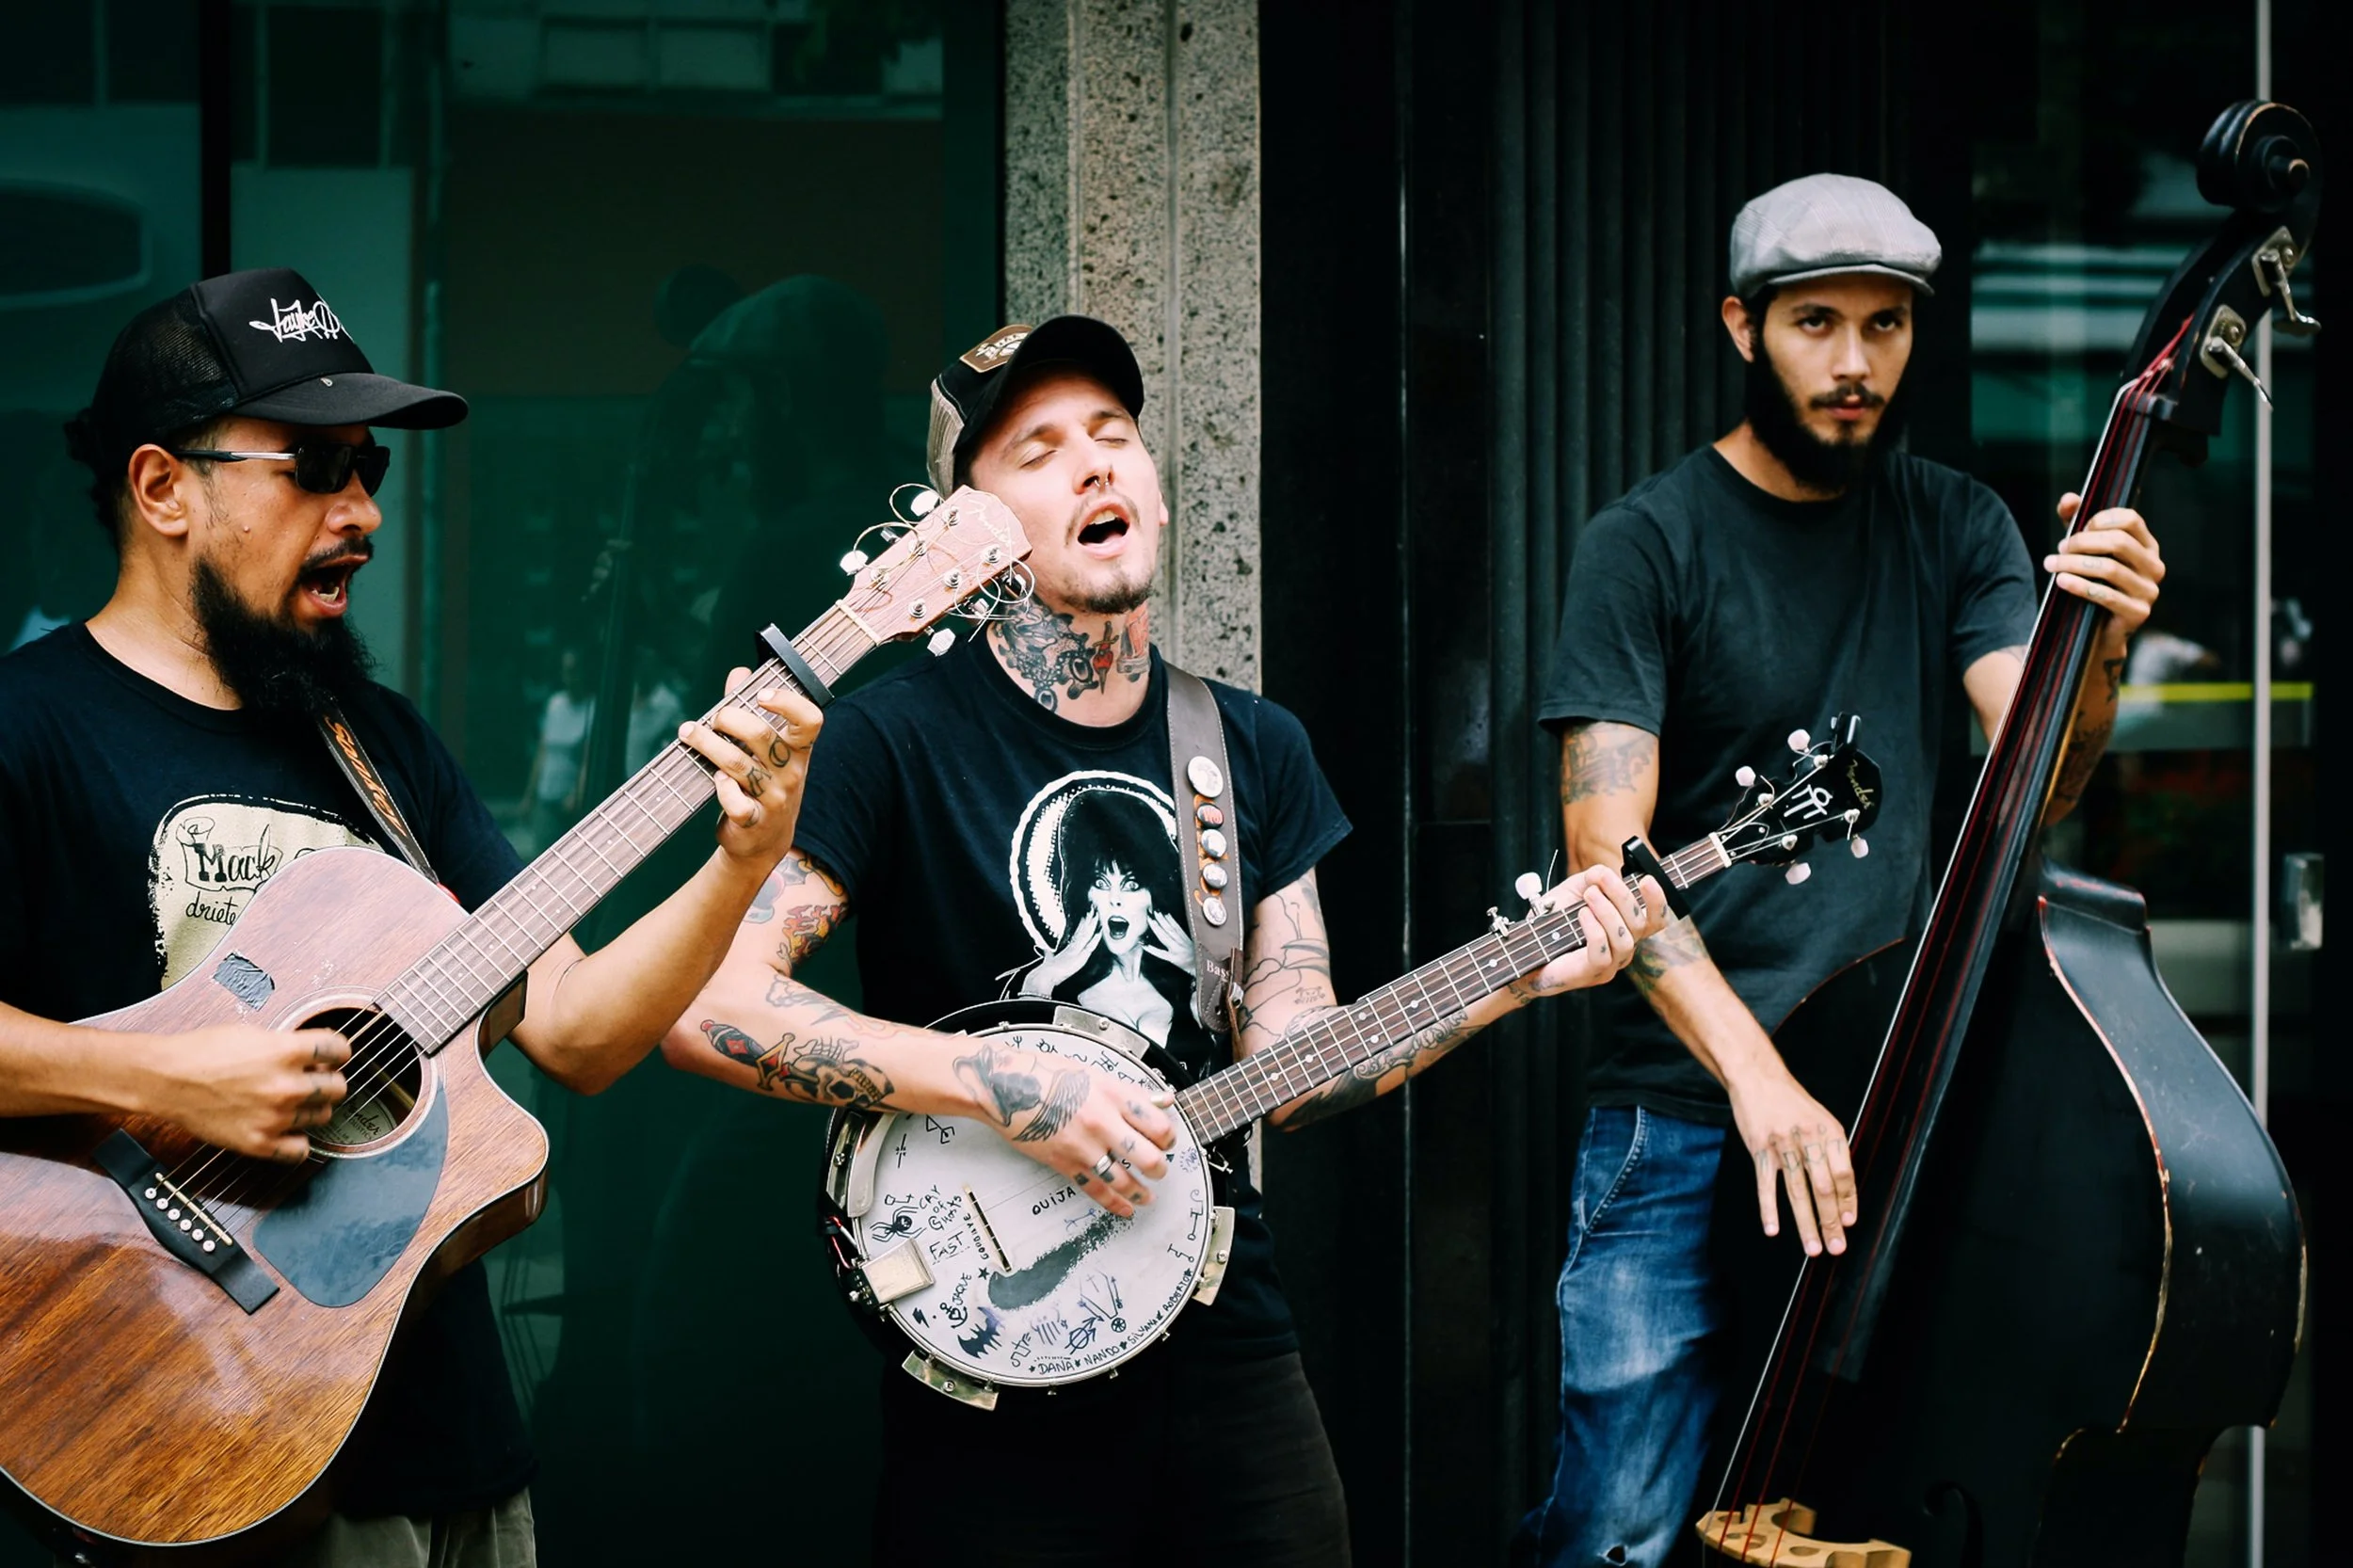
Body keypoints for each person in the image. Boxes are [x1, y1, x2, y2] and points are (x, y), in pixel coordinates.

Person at [661, 315, 1667, 1565]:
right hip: (989, 1347)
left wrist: (1518, 978)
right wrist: (998, 1085)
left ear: (1155, 492)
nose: (1094, 465)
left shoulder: (1249, 747)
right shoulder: (887, 741)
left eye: (1114, 436)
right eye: (1036, 450)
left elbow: (1296, 1059)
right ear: (955, 533)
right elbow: (708, 1003)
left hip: (1222, 1335)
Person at [0, 266, 823, 1567]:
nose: (364, 513)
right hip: (188, 1422)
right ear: (162, 487)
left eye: (370, 470)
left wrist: (742, 855)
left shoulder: (376, 744)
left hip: (445, 1446)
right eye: (315, 469)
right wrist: (174, 1078)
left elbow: (579, 1029)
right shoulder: (27, 729)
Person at [1515, 176, 2166, 1567]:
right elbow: (1603, 863)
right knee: (1623, 1527)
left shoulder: (1957, 524)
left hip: (1889, 1113)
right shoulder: (1645, 543)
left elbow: (2035, 777)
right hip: (1687, 1118)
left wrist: (2096, 643)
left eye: (1886, 324)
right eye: (1818, 323)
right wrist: (1761, 1086)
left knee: (1859, 1519)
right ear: (1743, 327)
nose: (1857, 362)